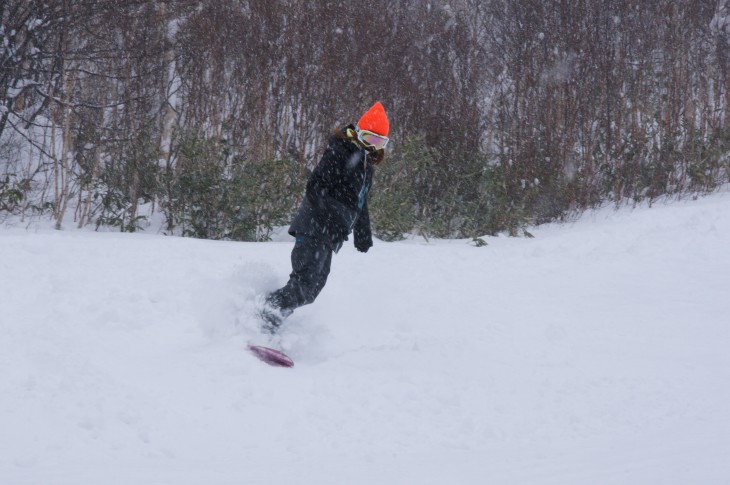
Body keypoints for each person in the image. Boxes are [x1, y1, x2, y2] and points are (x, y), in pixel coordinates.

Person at [258, 102, 390, 333]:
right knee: (304, 284)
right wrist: (329, 221)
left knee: (311, 289)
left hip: (330, 234)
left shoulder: (365, 164)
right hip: (315, 227)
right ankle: (262, 320)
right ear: (358, 133)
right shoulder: (341, 151)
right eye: (370, 138)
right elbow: (316, 187)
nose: (373, 146)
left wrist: (362, 233)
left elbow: (360, 201)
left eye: (380, 142)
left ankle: (265, 320)